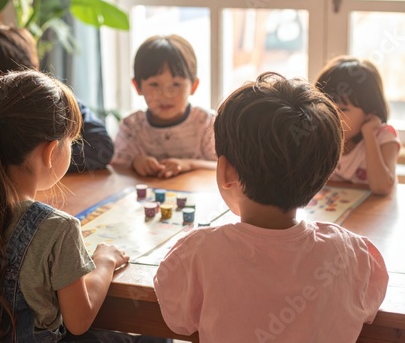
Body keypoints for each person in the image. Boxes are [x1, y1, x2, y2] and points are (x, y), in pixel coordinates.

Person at [0, 71, 167, 342]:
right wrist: (104, 261)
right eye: (71, 142)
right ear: (51, 151)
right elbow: (79, 320)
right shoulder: (57, 228)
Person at [154, 72, 389, 343]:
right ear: (324, 175)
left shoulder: (196, 253)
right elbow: (369, 305)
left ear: (226, 171)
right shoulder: (354, 254)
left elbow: (177, 320)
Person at [0, 25, 113, 175]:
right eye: (0, 90)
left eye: (22, 86)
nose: (14, 99)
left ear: (38, 77)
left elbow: (102, 147)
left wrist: (33, 161)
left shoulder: (62, 107)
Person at [111, 35, 216, 178]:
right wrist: (136, 162)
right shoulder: (131, 125)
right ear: (137, 86)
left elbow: (224, 167)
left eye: (176, 85)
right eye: (154, 84)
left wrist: (189, 164)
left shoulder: (207, 124)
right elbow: (115, 164)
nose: (166, 95)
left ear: (194, 86)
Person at [315, 56, 401, 195]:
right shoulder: (321, 137)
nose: (333, 116)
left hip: (375, 214)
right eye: (327, 107)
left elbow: (382, 188)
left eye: (342, 110)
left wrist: (368, 133)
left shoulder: (384, 138)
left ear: (370, 112)